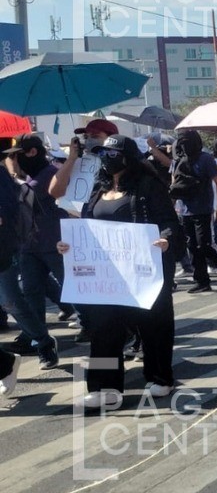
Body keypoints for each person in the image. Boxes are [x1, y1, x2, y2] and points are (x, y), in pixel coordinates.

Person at [57, 135, 181, 409]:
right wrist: (70, 245)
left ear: (127, 157)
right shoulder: (97, 190)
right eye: (102, 153)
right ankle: (105, 386)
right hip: (106, 275)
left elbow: (169, 222)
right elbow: (87, 227)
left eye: (112, 153)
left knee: (153, 324)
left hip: (143, 271)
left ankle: (160, 377)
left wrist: (166, 239)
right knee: (103, 328)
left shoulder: (148, 186)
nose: (105, 158)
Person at [3, 134, 63, 368]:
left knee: (14, 300)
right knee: (30, 293)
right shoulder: (21, 176)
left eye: (17, 156)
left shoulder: (49, 172)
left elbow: (26, 196)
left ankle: (44, 341)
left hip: (48, 243)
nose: (15, 160)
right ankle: (40, 342)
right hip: (29, 247)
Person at [172, 130, 217, 293]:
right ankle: (202, 280)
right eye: (182, 142)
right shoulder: (180, 160)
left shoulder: (206, 159)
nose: (184, 145)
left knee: (204, 244)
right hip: (185, 210)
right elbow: (175, 184)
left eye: (187, 142)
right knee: (192, 246)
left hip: (203, 209)